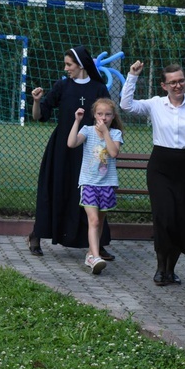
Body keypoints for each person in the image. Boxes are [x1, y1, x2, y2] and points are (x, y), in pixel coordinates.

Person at [120, 60, 185, 286]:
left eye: (181, 81)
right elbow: (126, 106)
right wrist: (132, 76)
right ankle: (160, 268)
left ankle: (171, 270)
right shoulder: (156, 104)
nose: (177, 85)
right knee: (164, 217)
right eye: (172, 82)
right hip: (160, 166)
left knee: (182, 219)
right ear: (164, 85)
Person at [28, 45, 115, 260]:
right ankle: (36, 235)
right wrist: (37, 102)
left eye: (69, 64)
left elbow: (109, 118)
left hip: (92, 151)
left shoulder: (98, 88)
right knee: (55, 189)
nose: (66, 68)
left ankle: (97, 244)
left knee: (91, 194)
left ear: (81, 65)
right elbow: (40, 116)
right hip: (62, 149)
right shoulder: (62, 86)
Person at [67, 98, 124, 275]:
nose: (104, 117)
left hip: (107, 184)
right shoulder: (88, 130)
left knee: (100, 222)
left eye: (107, 114)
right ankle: (96, 257)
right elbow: (71, 143)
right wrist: (76, 120)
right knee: (94, 220)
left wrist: (106, 132)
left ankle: (91, 254)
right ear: (94, 115)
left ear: (113, 116)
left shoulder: (115, 134)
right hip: (89, 182)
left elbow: (113, 153)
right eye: (100, 114)